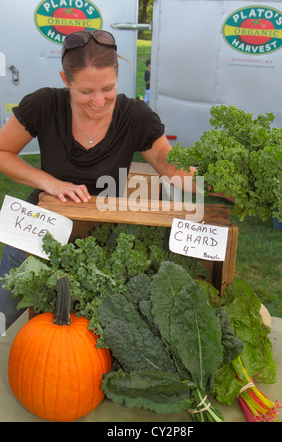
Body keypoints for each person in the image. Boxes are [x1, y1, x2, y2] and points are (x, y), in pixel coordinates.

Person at [0, 30, 196, 329]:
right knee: (6, 308)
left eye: (108, 88)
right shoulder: (43, 105)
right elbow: (3, 151)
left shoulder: (136, 116)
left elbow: (171, 170)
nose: (99, 101)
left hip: (106, 234)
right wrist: (48, 182)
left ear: (118, 76)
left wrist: (219, 179)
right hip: (45, 221)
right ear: (66, 81)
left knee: (93, 330)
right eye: (86, 92)